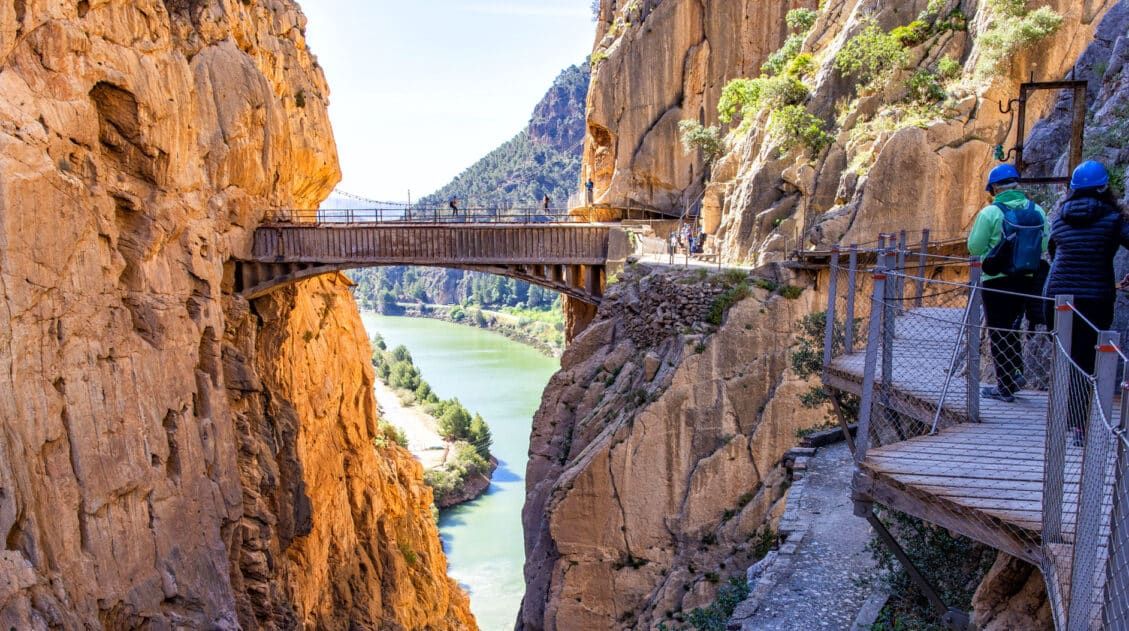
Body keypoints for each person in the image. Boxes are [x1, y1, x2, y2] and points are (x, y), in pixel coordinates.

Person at [1043, 160, 1129, 443]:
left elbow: (1054, 254)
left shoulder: (1060, 218)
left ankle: (1066, 420)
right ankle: (1081, 426)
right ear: (1105, 188)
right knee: (1090, 360)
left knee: (1067, 357)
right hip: (1095, 298)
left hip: (1059, 297)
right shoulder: (1113, 219)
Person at [967, 163, 1049, 403]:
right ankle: (1016, 374)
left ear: (994, 189)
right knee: (1014, 327)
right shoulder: (1038, 211)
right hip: (1026, 280)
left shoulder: (991, 213)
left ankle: (1005, 386)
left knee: (999, 331)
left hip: (996, 281)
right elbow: (1043, 245)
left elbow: (975, 247)